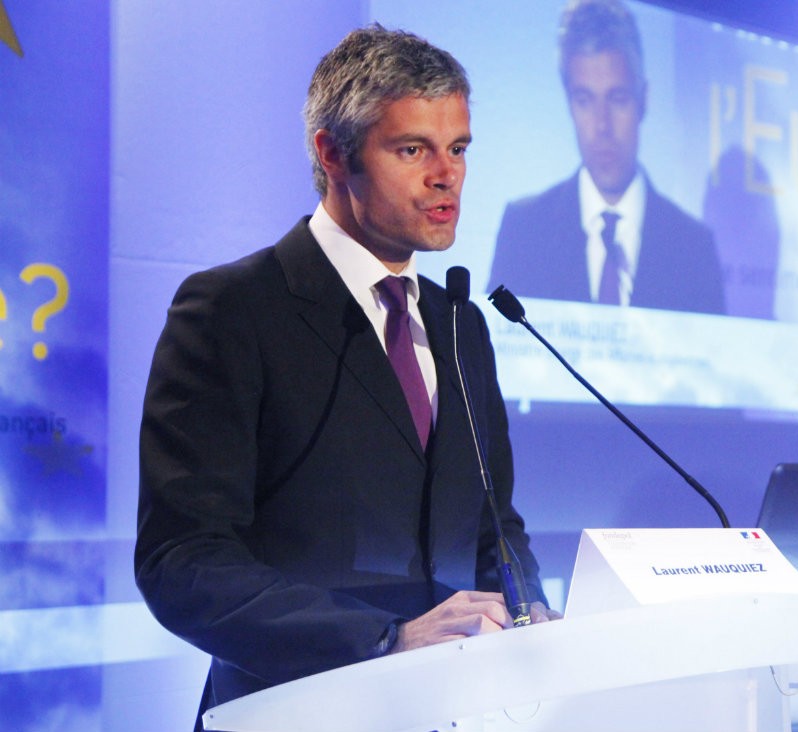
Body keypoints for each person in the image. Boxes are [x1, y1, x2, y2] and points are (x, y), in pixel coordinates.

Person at [134, 25, 554, 724]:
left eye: (457, 149)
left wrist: (526, 608)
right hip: (294, 712)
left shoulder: (462, 323)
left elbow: (492, 526)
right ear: (333, 153)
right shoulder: (233, 310)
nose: (445, 175)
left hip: (451, 712)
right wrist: (383, 640)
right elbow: (183, 561)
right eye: (412, 148)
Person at [489, 0, 726, 314]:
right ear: (569, 103)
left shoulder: (693, 245)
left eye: (618, 98)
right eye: (585, 100)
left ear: (644, 100)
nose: (602, 126)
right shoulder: (525, 228)